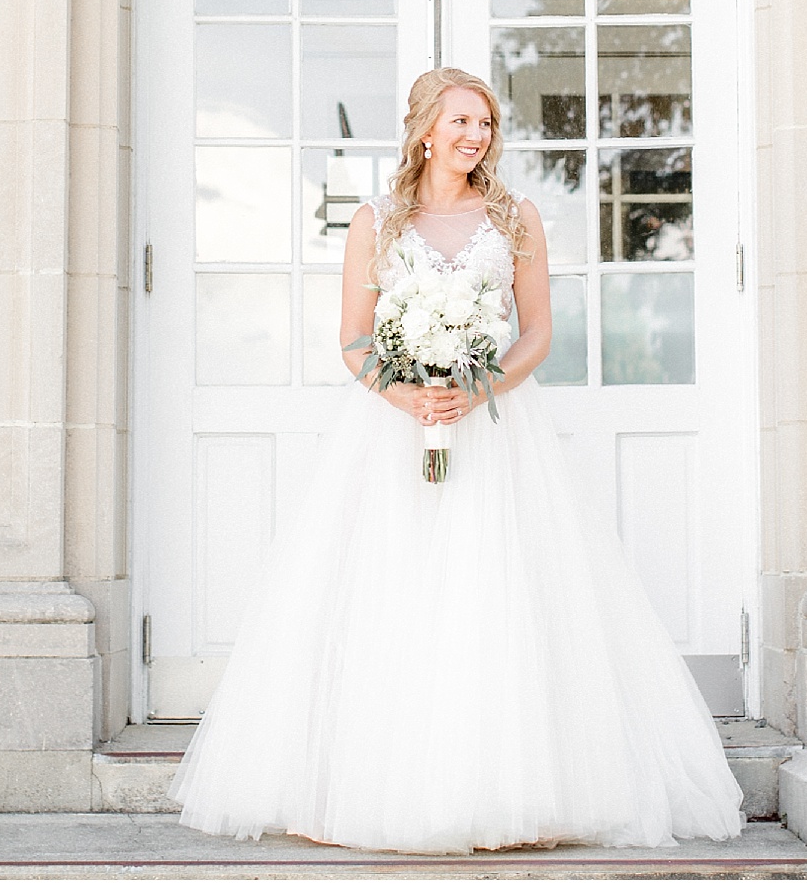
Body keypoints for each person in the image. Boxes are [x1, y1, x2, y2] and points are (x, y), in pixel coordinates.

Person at [166, 66, 745, 855]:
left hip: (497, 434)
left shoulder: (515, 218)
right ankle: (369, 785)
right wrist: (408, 397)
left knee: (498, 593)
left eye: (486, 124)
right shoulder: (376, 221)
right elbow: (353, 341)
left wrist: (475, 392)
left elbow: (536, 333)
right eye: (462, 121)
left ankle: (514, 789)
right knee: (393, 596)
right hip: (392, 437)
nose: (476, 136)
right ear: (426, 129)